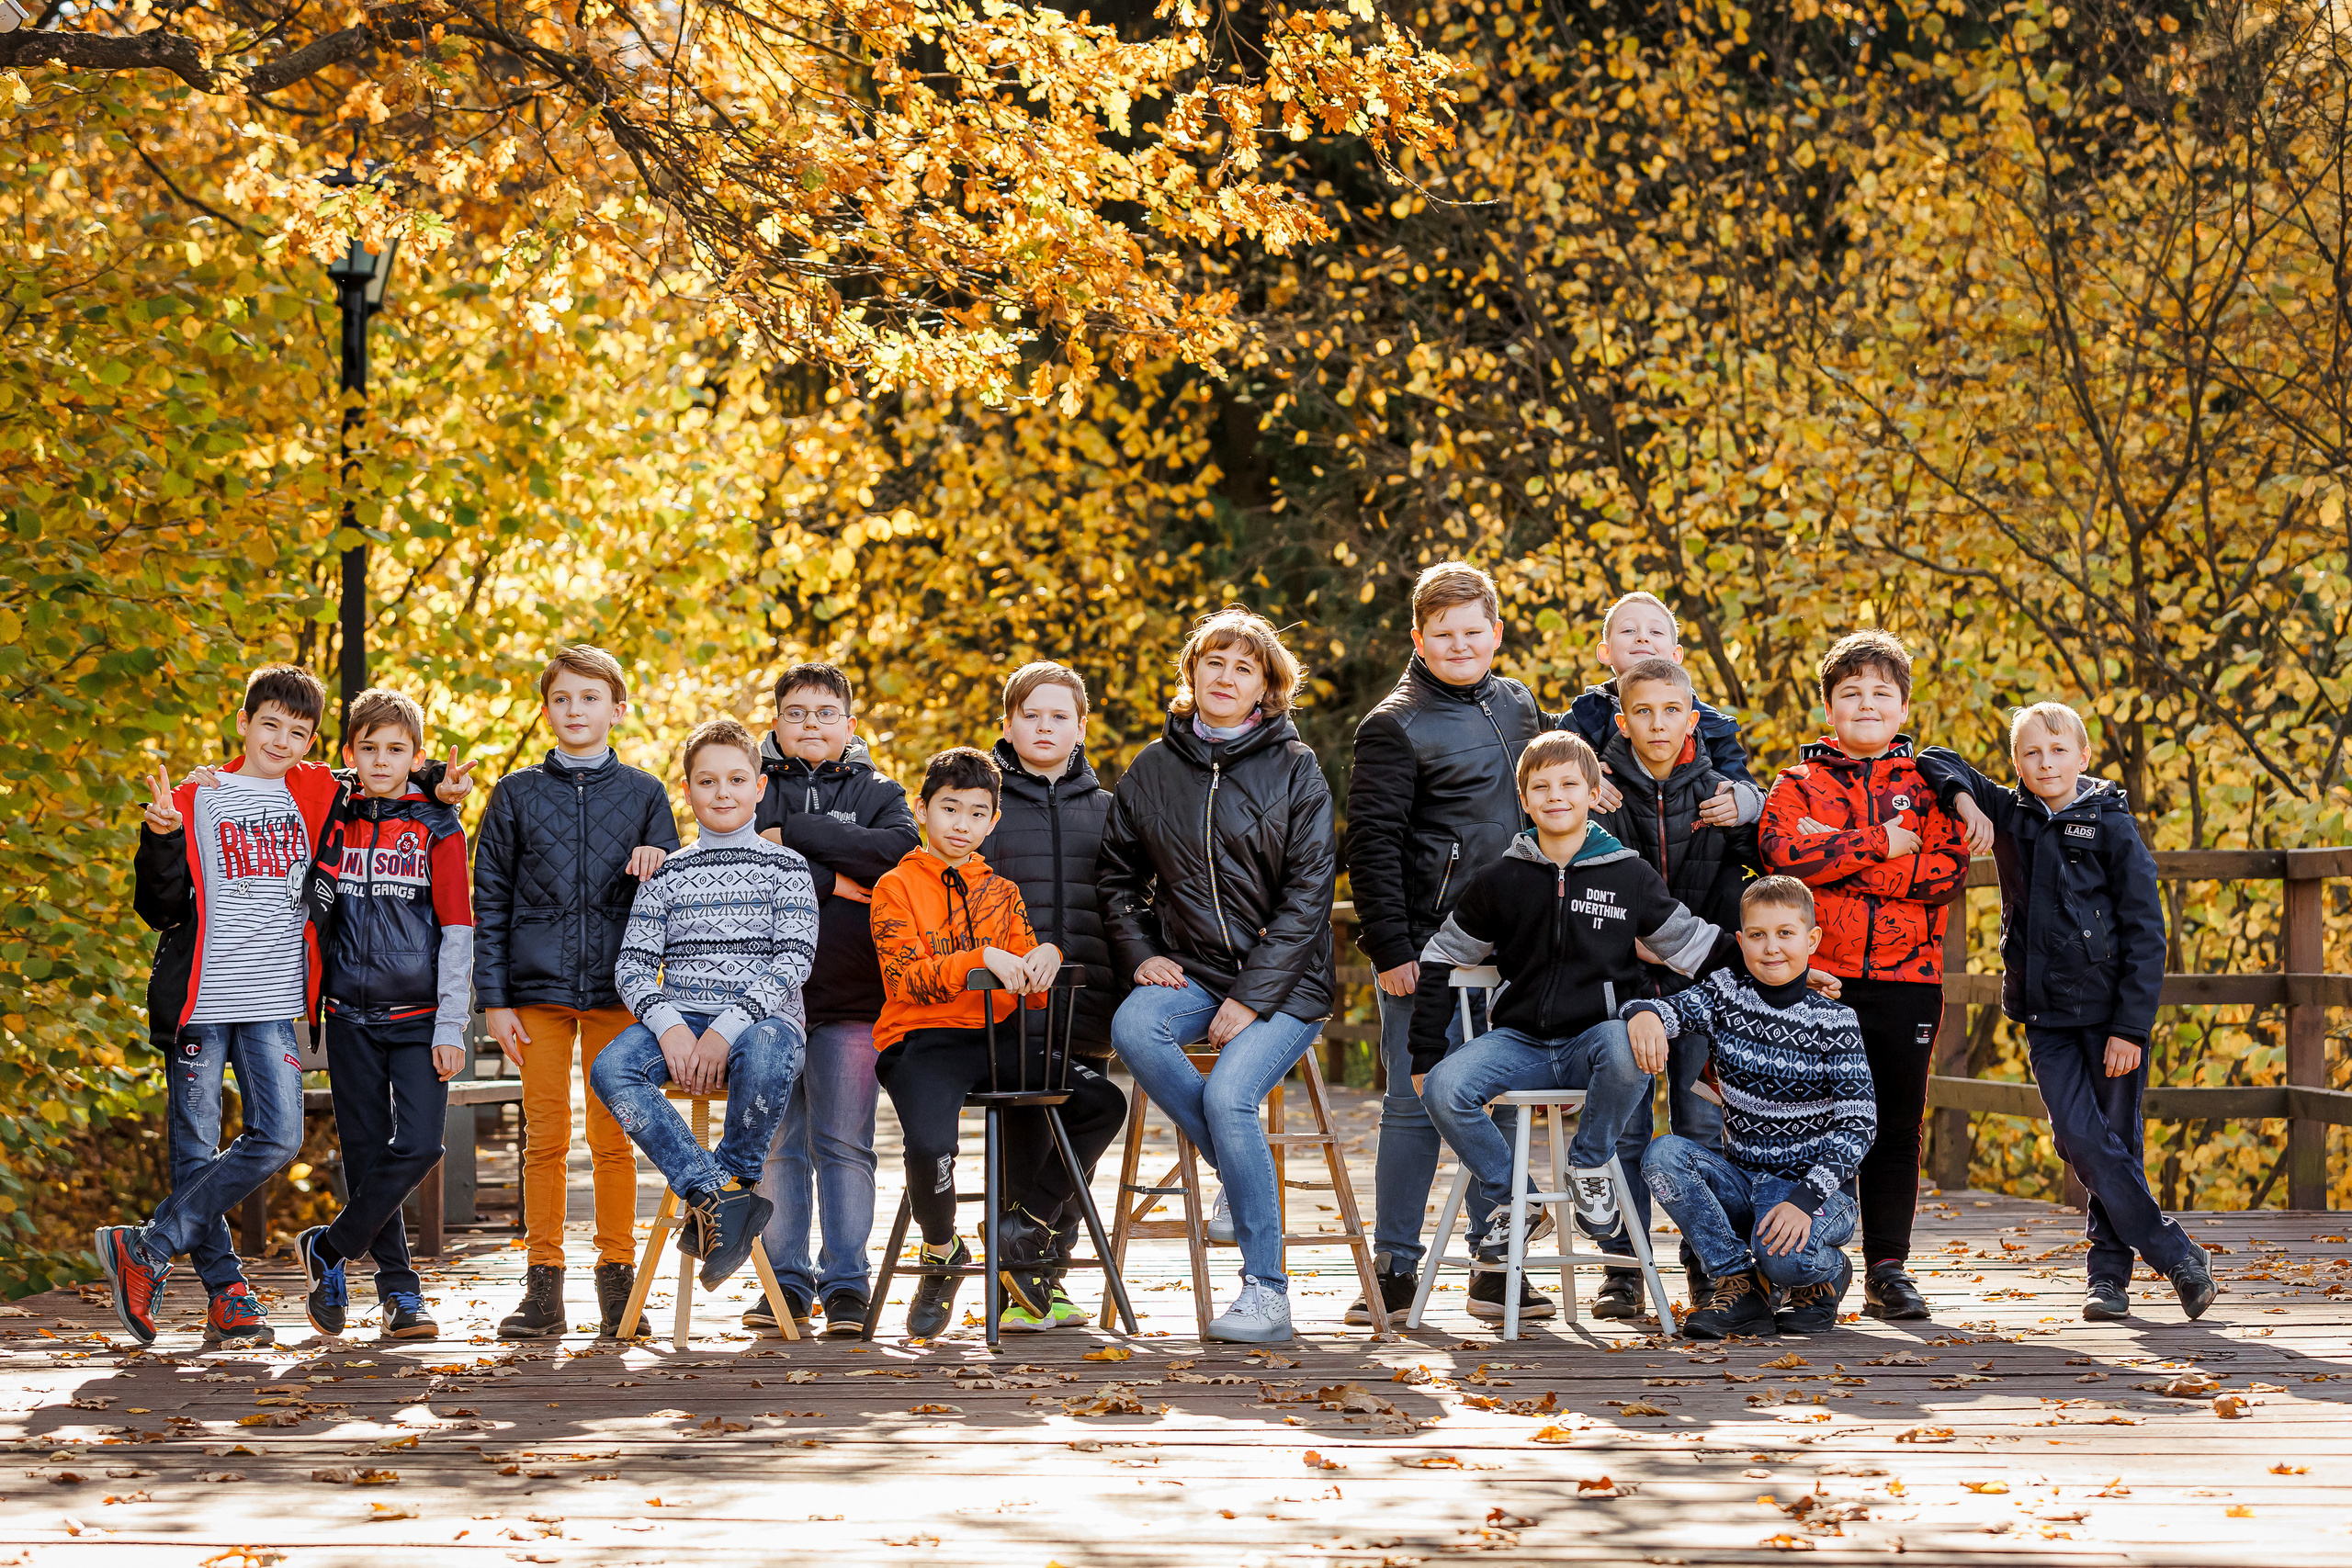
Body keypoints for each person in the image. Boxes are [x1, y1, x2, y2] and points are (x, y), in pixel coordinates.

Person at [102, 665, 459, 1348]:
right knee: (196, 1147)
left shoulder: (315, 787)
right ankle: (226, 1292)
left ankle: (146, 1246)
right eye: (269, 724)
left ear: (314, 742)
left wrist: (438, 778)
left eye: (299, 732)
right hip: (203, 1000)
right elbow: (160, 907)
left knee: (280, 1136)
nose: (282, 740)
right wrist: (162, 838)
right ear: (243, 722)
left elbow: (386, 763)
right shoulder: (195, 794)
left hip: (272, 1002)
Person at [1410, 730, 1734, 1324]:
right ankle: (1516, 1195)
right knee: (1442, 1086)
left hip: (1596, 1042)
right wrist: (1427, 1051)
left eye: (1568, 785)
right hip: (1519, 1042)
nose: (1555, 796)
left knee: (1627, 1038)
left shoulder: (1627, 874)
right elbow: (1440, 954)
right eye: (1541, 787)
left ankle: (1588, 1163)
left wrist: (1785, 970)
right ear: (1525, 800)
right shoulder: (1501, 877)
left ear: (1591, 792)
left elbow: (1698, 945)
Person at [1917, 704, 2215, 1320]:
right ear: (2017, 763)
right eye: (2031, 753)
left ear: (2083, 757)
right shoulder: (2011, 812)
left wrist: (2132, 1027)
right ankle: (2174, 1248)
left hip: (2111, 1019)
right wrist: (1969, 804)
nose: (2045, 763)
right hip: (2046, 1014)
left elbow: (2145, 929)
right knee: (2078, 1136)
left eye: (2057, 751)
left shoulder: (2111, 824)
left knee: (2115, 1141)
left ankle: (2107, 1277)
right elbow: (1933, 759)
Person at [1101, 608, 1339, 1343]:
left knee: (1235, 1093)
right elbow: (1116, 878)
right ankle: (1239, 1176)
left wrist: (1251, 996)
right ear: (1192, 674)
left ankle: (1267, 1294)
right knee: (1132, 1023)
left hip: (1287, 981)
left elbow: (1309, 896)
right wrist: (1141, 952)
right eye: (1215, 662)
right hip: (1193, 970)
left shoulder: (1297, 768)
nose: (1227, 676)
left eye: (1245, 667)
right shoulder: (1150, 769)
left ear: (1267, 687)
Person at [1344, 561, 1568, 1327]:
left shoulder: (1518, 703)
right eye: (1444, 634)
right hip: (1429, 946)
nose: (1461, 644)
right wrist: (1390, 948)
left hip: (1517, 945)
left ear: (1497, 633)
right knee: (1412, 1104)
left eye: (1475, 631)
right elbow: (1371, 844)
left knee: (1499, 1101)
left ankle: (1493, 1264)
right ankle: (1395, 1269)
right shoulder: (1394, 723)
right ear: (1419, 637)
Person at [869, 747, 1125, 1337]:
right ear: (923, 809)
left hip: (999, 1040)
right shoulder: (896, 886)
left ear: (993, 820)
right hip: (923, 1043)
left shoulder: (1002, 890)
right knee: (932, 1149)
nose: (962, 825)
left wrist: (1045, 957)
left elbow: (1030, 978)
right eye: (949, 809)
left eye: (977, 813)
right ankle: (941, 1252)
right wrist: (981, 958)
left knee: (1103, 1103)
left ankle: (1025, 1222)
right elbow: (908, 977)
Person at [1760, 630, 1967, 1323]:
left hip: (1910, 980)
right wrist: (1880, 842)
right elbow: (1783, 854)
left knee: (1896, 1124)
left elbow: (1945, 872)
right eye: (1851, 693)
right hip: (1824, 979)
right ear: (1829, 706)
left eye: (1882, 692)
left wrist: (1837, 857)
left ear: (1904, 705)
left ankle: (1888, 1266)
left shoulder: (1932, 787)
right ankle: (1810, 1263)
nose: (1867, 704)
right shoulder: (1797, 783)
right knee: (1813, 1120)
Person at [474, 645, 679, 1340]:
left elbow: (676, 896)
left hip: (620, 991)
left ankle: (618, 1280)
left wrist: (661, 862)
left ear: (617, 709)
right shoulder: (515, 793)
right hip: (536, 993)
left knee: (612, 1138)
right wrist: (493, 999)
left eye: (590, 698)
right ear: (546, 710)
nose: (575, 710)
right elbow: (490, 898)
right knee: (544, 1138)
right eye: (562, 698)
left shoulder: (647, 793)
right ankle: (543, 1285)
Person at [594, 718, 819, 1292]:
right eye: (707, 781)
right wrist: (669, 1026)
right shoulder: (668, 871)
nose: (723, 793)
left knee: (770, 1050)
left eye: (737, 779)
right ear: (687, 790)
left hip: (763, 1019)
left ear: (760, 786)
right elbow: (633, 965)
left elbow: (794, 959)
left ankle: (734, 1182)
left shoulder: (786, 868)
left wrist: (726, 1029)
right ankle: (717, 1192)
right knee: (610, 1067)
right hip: (682, 1015)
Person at [294, 688, 476, 1341]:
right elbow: (290, 772)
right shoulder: (330, 820)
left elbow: (458, 928)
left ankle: (329, 1247)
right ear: (350, 753)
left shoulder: (438, 827)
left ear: (415, 755)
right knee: (368, 1155)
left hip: (419, 1015)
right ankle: (401, 1293)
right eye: (368, 748)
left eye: (396, 749)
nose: (381, 759)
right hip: (347, 1016)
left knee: (422, 1142)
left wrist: (450, 1023)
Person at [746, 663, 920, 1337]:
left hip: (853, 1003)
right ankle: (784, 1282)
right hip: (766, 1005)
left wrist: (793, 839)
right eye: (796, 712)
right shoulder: (752, 786)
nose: (810, 723)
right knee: (778, 1146)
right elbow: (748, 865)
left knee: (845, 1144)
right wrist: (840, 878)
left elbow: (899, 856)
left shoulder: (882, 791)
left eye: (825, 712)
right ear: (776, 723)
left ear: (850, 724)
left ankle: (847, 1282)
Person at [1628, 876, 1875, 1338]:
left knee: (1785, 1259)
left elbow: (1859, 1123)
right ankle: (1738, 1282)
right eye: (1758, 935)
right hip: (1745, 1180)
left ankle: (1824, 1275)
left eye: (1786, 933)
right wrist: (1643, 1013)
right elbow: (1671, 1009)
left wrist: (1805, 1199)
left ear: (1812, 939)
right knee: (1664, 1155)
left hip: (1818, 1193)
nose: (1772, 947)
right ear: (1740, 941)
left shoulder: (1834, 1020)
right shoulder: (1725, 994)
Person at [1590, 655, 1761, 1316]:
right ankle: (1623, 1270)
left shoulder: (1720, 792)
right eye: (1642, 712)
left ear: (1692, 719)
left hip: (1706, 983)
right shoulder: (1601, 790)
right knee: (1627, 1129)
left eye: (1671, 711)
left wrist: (1747, 811)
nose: (1657, 723)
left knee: (1699, 1124)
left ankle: (1709, 1267)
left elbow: (1770, 861)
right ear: (1623, 720)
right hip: (1624, 982)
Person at [978, 661, 1118, 1332]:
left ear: (1081, 726)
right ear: (1008, 723)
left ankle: (1043, 1270)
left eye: (1058, 715)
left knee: (1076, 1149)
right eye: (1031, 714)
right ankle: (1022, 1289)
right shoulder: (986, 805)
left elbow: (1127, 904)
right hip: (1006, 1011)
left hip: (1088, 1004)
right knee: (1026, 1139)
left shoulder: (1109, 809)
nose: (1043, 725)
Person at [1563, 590, 1761, 822]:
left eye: (1655, 632)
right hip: (1614, 844)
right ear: (1605, 652)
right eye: (1628, 630)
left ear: (1676, 655)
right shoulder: (1582, 719)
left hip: (1696, 846)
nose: (1642, 638)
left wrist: (1741, 802)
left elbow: (1746, 789)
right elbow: (1551, 776)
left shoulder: (1710, 723)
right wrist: (1579, 781)